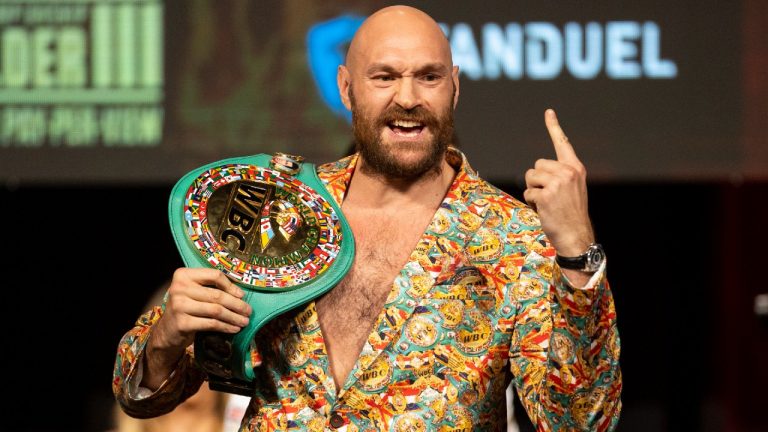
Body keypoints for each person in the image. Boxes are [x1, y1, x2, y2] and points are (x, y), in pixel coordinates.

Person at [113, 5, 621, 431]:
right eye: (384, 77)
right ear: (347, 88)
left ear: (455, 87)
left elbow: (581, 423)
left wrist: (578, 252)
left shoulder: (513, 237)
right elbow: (137, 394)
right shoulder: (284, 201)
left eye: (429, 76)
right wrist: (166, 338)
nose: (408, 97)